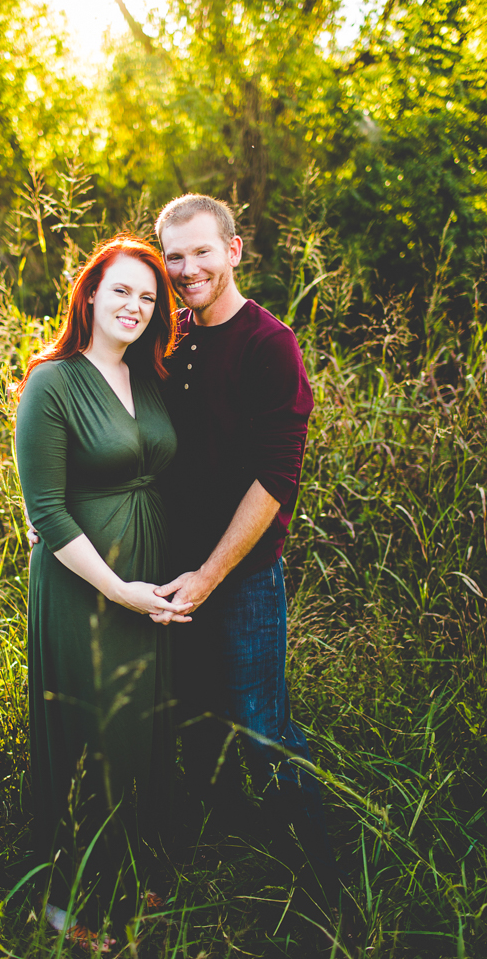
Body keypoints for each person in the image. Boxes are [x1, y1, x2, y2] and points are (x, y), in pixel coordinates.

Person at [151, 194, 344, 902]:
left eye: (203, 251)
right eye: (174, 255)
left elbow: (275, 479)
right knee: (189, 727)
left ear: (234, 251)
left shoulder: (270, 344)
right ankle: (204, 881)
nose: (187, 267)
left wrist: (209, 574)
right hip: (168, 580)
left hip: (242, 581)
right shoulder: (167, 336)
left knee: (262, 731)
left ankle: (329, 889)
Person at [13, 234, 192, 944]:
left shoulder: (150, 379)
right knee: (90, 735)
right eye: (121, 290)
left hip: (148, 582)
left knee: (141, 732)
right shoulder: (52, 382)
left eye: (149, 298)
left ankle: (127, 872)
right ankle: (61, 903)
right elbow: (47, 510)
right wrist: (119, 587)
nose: (135, 305)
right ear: (89, 293)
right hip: (88, 585)